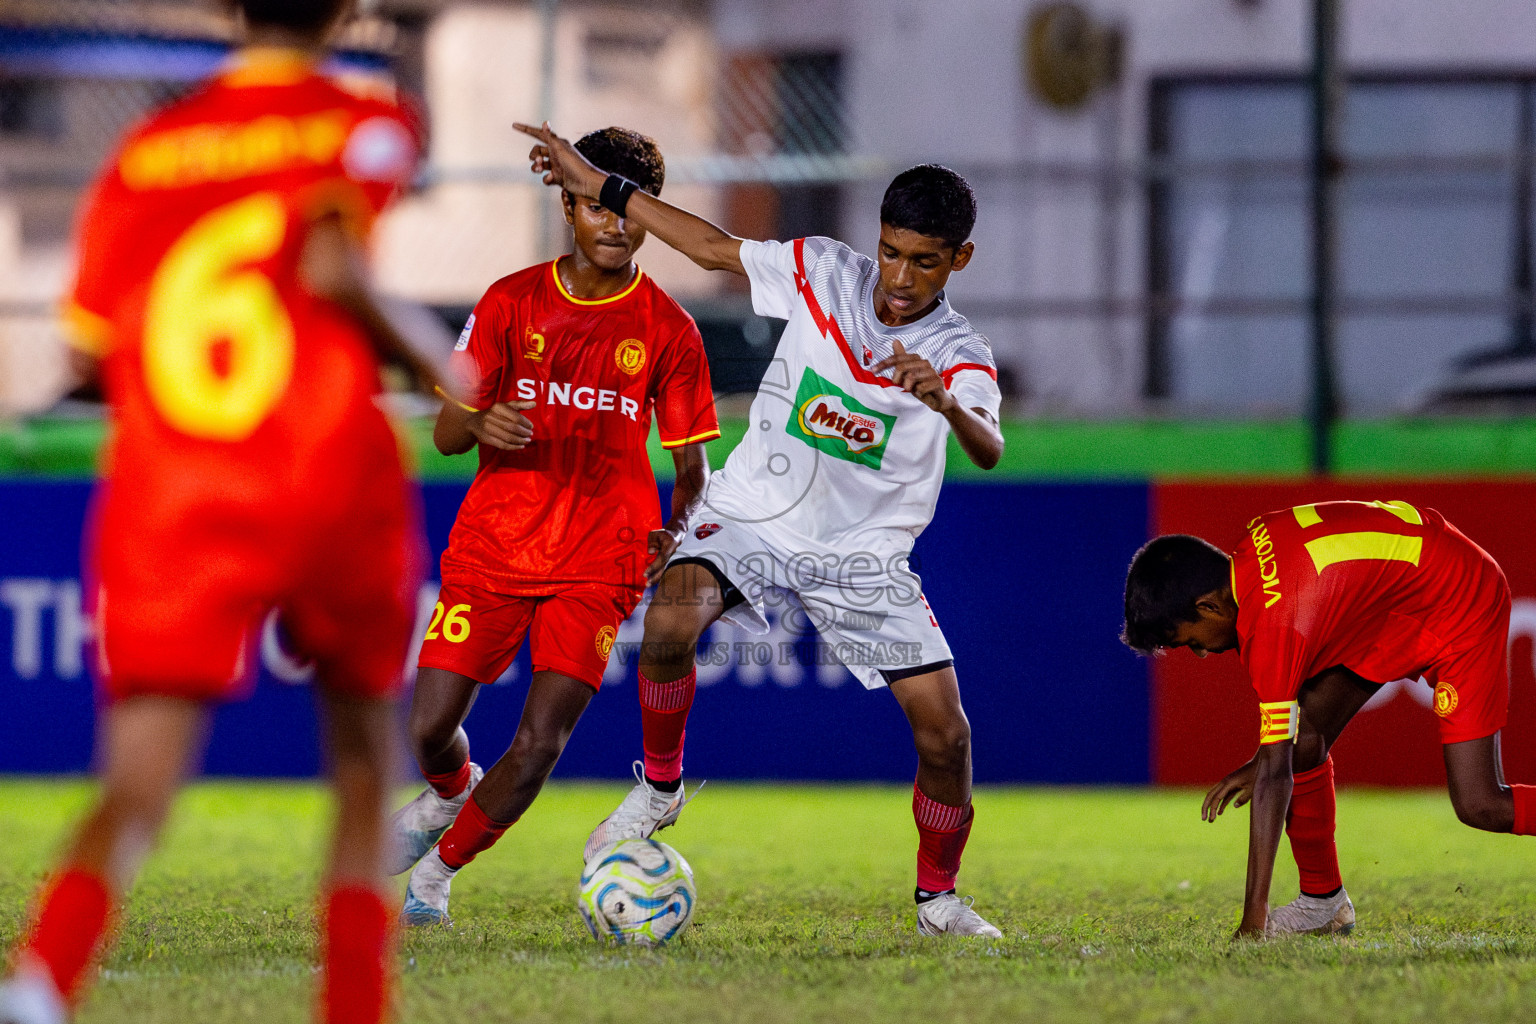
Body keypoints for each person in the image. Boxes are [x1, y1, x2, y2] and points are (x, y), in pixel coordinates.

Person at [0, 2, 437, 1022]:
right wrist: (446, 366)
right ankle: (354, 1005)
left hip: (181, 480)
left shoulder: (146, 152)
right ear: (346, 12)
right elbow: (334, 263)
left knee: (143, 767)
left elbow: (86, 349)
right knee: (365, 753)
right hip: (324, 462)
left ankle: (42, 981)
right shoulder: (365, 119)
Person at [514, 121, 1007, 938]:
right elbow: (711, 249)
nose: (899, 277)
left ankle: (939, 901)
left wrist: (947, 402)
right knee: (670, 615)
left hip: (861, 557)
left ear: (959, 260)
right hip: (754, 516)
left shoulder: (961, 351)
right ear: (873, 239)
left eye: (924, 261)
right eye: (890, 251)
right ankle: (662, 788)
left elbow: (987, 448)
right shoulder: (823, 271)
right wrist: (602, 186)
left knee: (946, 737)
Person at [388, 128, 720, 927]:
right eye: (594, 209)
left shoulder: (670, 329)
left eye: (628, 215)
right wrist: (483, 419)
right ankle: (448, 797)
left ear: (645, 217)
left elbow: (690, 470)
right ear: (567, 205)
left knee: (539, 742)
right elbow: (445, 435)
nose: (613, 227)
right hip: (495, 545)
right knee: (431, 727)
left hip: (600, 559)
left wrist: (675, 531)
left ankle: (434, 877)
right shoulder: (509, 302)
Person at [1122, 499, 1535, 938]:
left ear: (1209, 608)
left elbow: (1275, 781)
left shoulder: (1274, 628)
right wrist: (1264, 761)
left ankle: (1306, 906)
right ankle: (1323, 903)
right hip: (1409, 586)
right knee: (1306, 736)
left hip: (1461, 599)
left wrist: (1252, 918)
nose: (1202, 652)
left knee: (1480, 804)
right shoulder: (1251, 547)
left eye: (1191, 642)